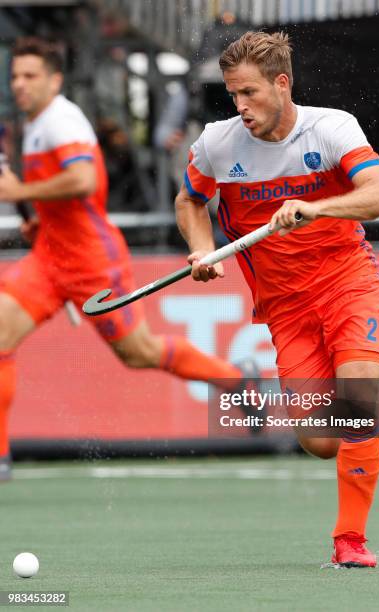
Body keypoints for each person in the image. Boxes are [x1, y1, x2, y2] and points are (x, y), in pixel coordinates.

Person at [175, 31, 379, 568]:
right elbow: (190, 199)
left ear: (282, 83)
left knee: (355, 410)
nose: (241, 107)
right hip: (283, 304)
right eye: (233, 95)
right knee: (320, 440)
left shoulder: (330, 127)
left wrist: (317, 208)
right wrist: (202, 249)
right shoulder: (217, 142)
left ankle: (349, 540)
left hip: (346, 281)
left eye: (250, 93)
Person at [0, 37, 257, 482]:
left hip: (92, 263)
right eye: (15, 76)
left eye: (30, 76)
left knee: (139, 353)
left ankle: (237, 380)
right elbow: (63, 198)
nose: (19, 85)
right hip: (48, 258)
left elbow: (82, 181)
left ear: (55, 80)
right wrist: (39, 219)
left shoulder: (63, 121)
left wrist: (20, 193)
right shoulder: (37, 123)